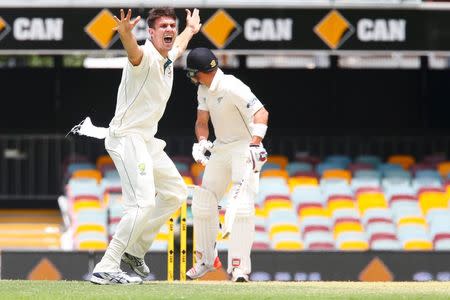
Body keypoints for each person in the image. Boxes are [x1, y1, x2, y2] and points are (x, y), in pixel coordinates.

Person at [86, 7, 202, 285]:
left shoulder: (167, 57)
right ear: (150, 33)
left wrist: (191, 29)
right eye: (163, 26)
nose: (169, 30)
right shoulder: (145, 56)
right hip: (127, 138)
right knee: (142, 203)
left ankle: (135, 251)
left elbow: (179, 45)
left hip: (146, 140)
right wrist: (126, 35)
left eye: (172, 26)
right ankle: (107, 266)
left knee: (175, 192)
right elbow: (133, 53)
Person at [184, 48, 269, 282]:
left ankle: (239, 268)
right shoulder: (203, 89)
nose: (191, 77)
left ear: (202, 71)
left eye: (193, 73)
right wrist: (201, 142)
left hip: (244, 146)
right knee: (203, 200)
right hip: (221, 148)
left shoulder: (232, 86)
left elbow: (262, 114)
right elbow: (202, 122)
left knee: (241, 207)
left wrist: (254, 145)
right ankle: (207, 259)